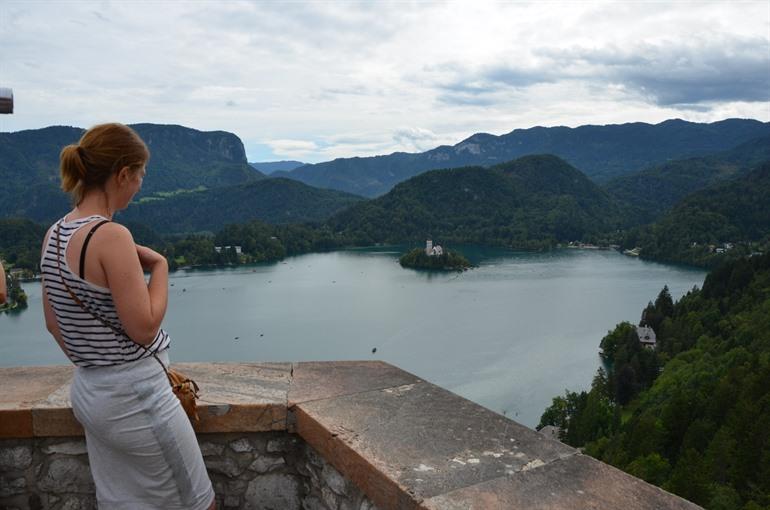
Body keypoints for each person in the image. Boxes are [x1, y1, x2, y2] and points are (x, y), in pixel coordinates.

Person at [40, 123, 215, 509]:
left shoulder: (54, 234)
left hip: (91, 392)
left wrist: (98, 362)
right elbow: (143, 326)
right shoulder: (110, 235)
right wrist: (163, 266)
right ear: (122, 174)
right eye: (140, 176)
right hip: (137, 399)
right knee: (197, 503)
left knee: (123, 502)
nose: (140, 185)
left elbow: (54, 324)